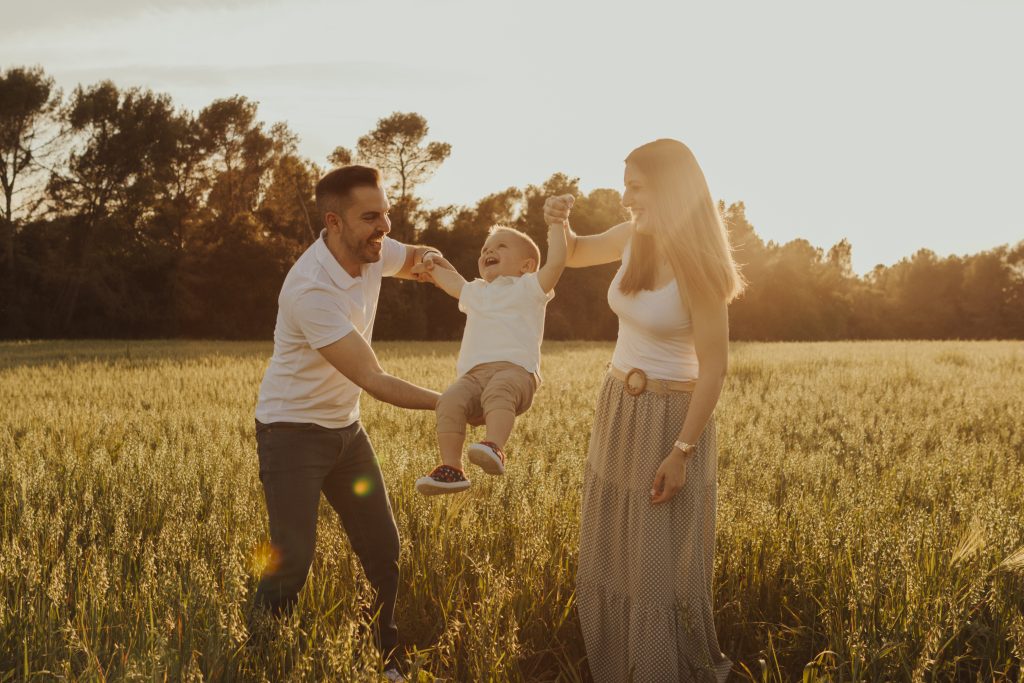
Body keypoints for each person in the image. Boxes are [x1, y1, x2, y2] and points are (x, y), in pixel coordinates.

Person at [545, 139, 744, 682]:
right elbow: (576, 252)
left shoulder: (700, 269)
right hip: (618, 404)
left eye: (636, 186)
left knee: (658, 559)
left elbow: (716, 369)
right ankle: (615, 662)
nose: (626, 197)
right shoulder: (632, 239)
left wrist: (681, 451)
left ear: (670, 191)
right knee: (613, 540)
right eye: (625, 184)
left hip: (669, 419)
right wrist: (557, 223)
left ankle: (659, 668)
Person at [252, 165, 450, 680]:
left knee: (384, 551)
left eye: (386, 214)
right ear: (334, 221)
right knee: (293, 559)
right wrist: (451, 404)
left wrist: (475, 290)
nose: (384, 226)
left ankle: (385, 657)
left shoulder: (373, 249)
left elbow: (417, 263)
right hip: (291, 434)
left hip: (346, 433)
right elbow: (374, 378)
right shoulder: (310, 289)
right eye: (372, 217)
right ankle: (258, 655)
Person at [411, 218, 569, 494]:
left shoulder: (529, 287)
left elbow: (556, 263)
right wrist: (432, 267)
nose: (488, 252)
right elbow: (453, 281)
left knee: (500, 389)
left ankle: (493, 446)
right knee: (448, 400)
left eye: (500, 246)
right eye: (485, 249)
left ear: (527, 266)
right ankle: (452, 469)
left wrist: (557, 223)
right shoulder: (477, 292)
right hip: (474, 375)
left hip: (516, 372)